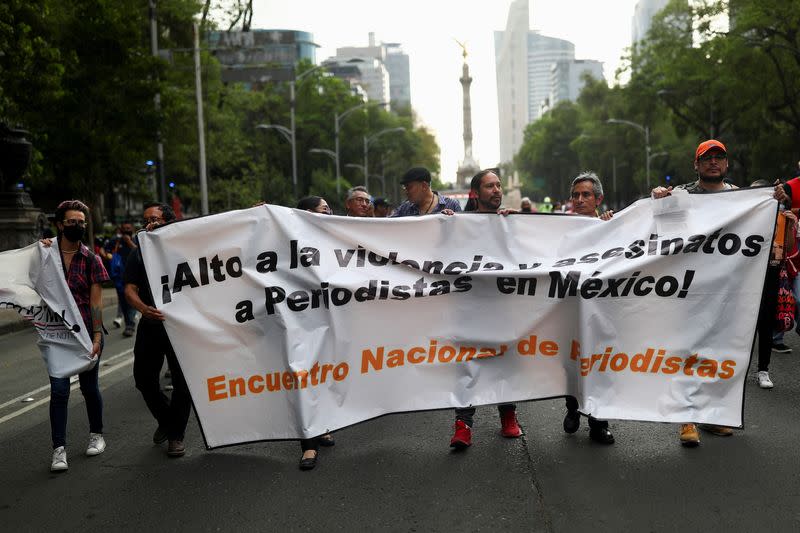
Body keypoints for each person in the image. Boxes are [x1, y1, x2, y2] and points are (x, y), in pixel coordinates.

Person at [651, 140, 743, 446]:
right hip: (688, 288)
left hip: (725, 290)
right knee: (687, 350)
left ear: (727, 164)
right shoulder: (684, 195)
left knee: (717, 351)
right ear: (697, 164)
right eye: (707, 158)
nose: (713, 162)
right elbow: (659, 227)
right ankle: (686, 418)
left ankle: (710, 416)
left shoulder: (741, 197)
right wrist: (659, 200)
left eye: (719, 157)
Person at [449, 169, 521, 449]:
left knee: (504, 360)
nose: (497, 190)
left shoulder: (511, 221)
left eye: (499, 185)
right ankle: (463, 425)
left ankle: (508, 416)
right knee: (468, 364)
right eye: (490, 186)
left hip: (503, 305)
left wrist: (517, 225)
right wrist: (442, 226)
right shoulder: (460, 223)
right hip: (469, 305)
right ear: (475, 193)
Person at [124, 202, 192, 458]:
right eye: (146, 220)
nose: (149, 224)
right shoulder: (138, 252)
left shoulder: (185, 249)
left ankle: (176, 436)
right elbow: (129, 289)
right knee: (143, 379)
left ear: (169, 222)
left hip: (181, 326)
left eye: (155, 219)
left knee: (182, 382)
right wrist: (143, 308)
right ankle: (167, 419)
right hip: (151, 324)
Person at [46, 200, 110, 472]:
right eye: (72, 222)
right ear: (60, 225)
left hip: (86, 334)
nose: (78, 226)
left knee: (88, 387)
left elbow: (96, 302)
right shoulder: (46, 256)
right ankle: (58, 449)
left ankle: (97, 434)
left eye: (81, 222)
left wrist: (97, 336)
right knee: (59, 391)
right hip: (57, 337)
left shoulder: (91, 259)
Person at [560, 173, 616, 444]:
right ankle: (573, 408)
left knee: (600, 363)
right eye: (576, 195)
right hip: (568, 306)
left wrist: (610, 227)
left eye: (586, 195)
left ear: (599, 199)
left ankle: (599, 422)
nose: (580, 200)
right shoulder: (559, 227)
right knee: (572, 361)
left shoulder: (612, 226)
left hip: (601, 309)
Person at [750, 179, 796, 389]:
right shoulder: (744, 216)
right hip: (745, 273)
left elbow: (788, 247)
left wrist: (791, 225)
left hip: (771, 271)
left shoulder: (781, 213)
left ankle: (763, 370)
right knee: (743, 324)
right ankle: (737, 368)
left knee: (766, 322)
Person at [391, 167, 460, 217]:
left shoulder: (452, 205)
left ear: (424, 186)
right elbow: (388, 225)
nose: (406, 191)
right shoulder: (404, 208)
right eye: (404, 187)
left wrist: (450, 219)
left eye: (409, 187)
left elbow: (461, 232)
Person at [108, 221, 138, 336]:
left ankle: (130, 326)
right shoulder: (116, 241)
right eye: (124, 228)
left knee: (131, 300)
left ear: (132, 229)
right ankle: (128, 323)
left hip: (134, 276)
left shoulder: (137, 240)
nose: (126, 230)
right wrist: (108, 256)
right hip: (120, 278)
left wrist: (129, 242)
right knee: (123, 303)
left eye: (128, 228)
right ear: (121, 230)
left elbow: (139, 253)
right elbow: (104, 250)